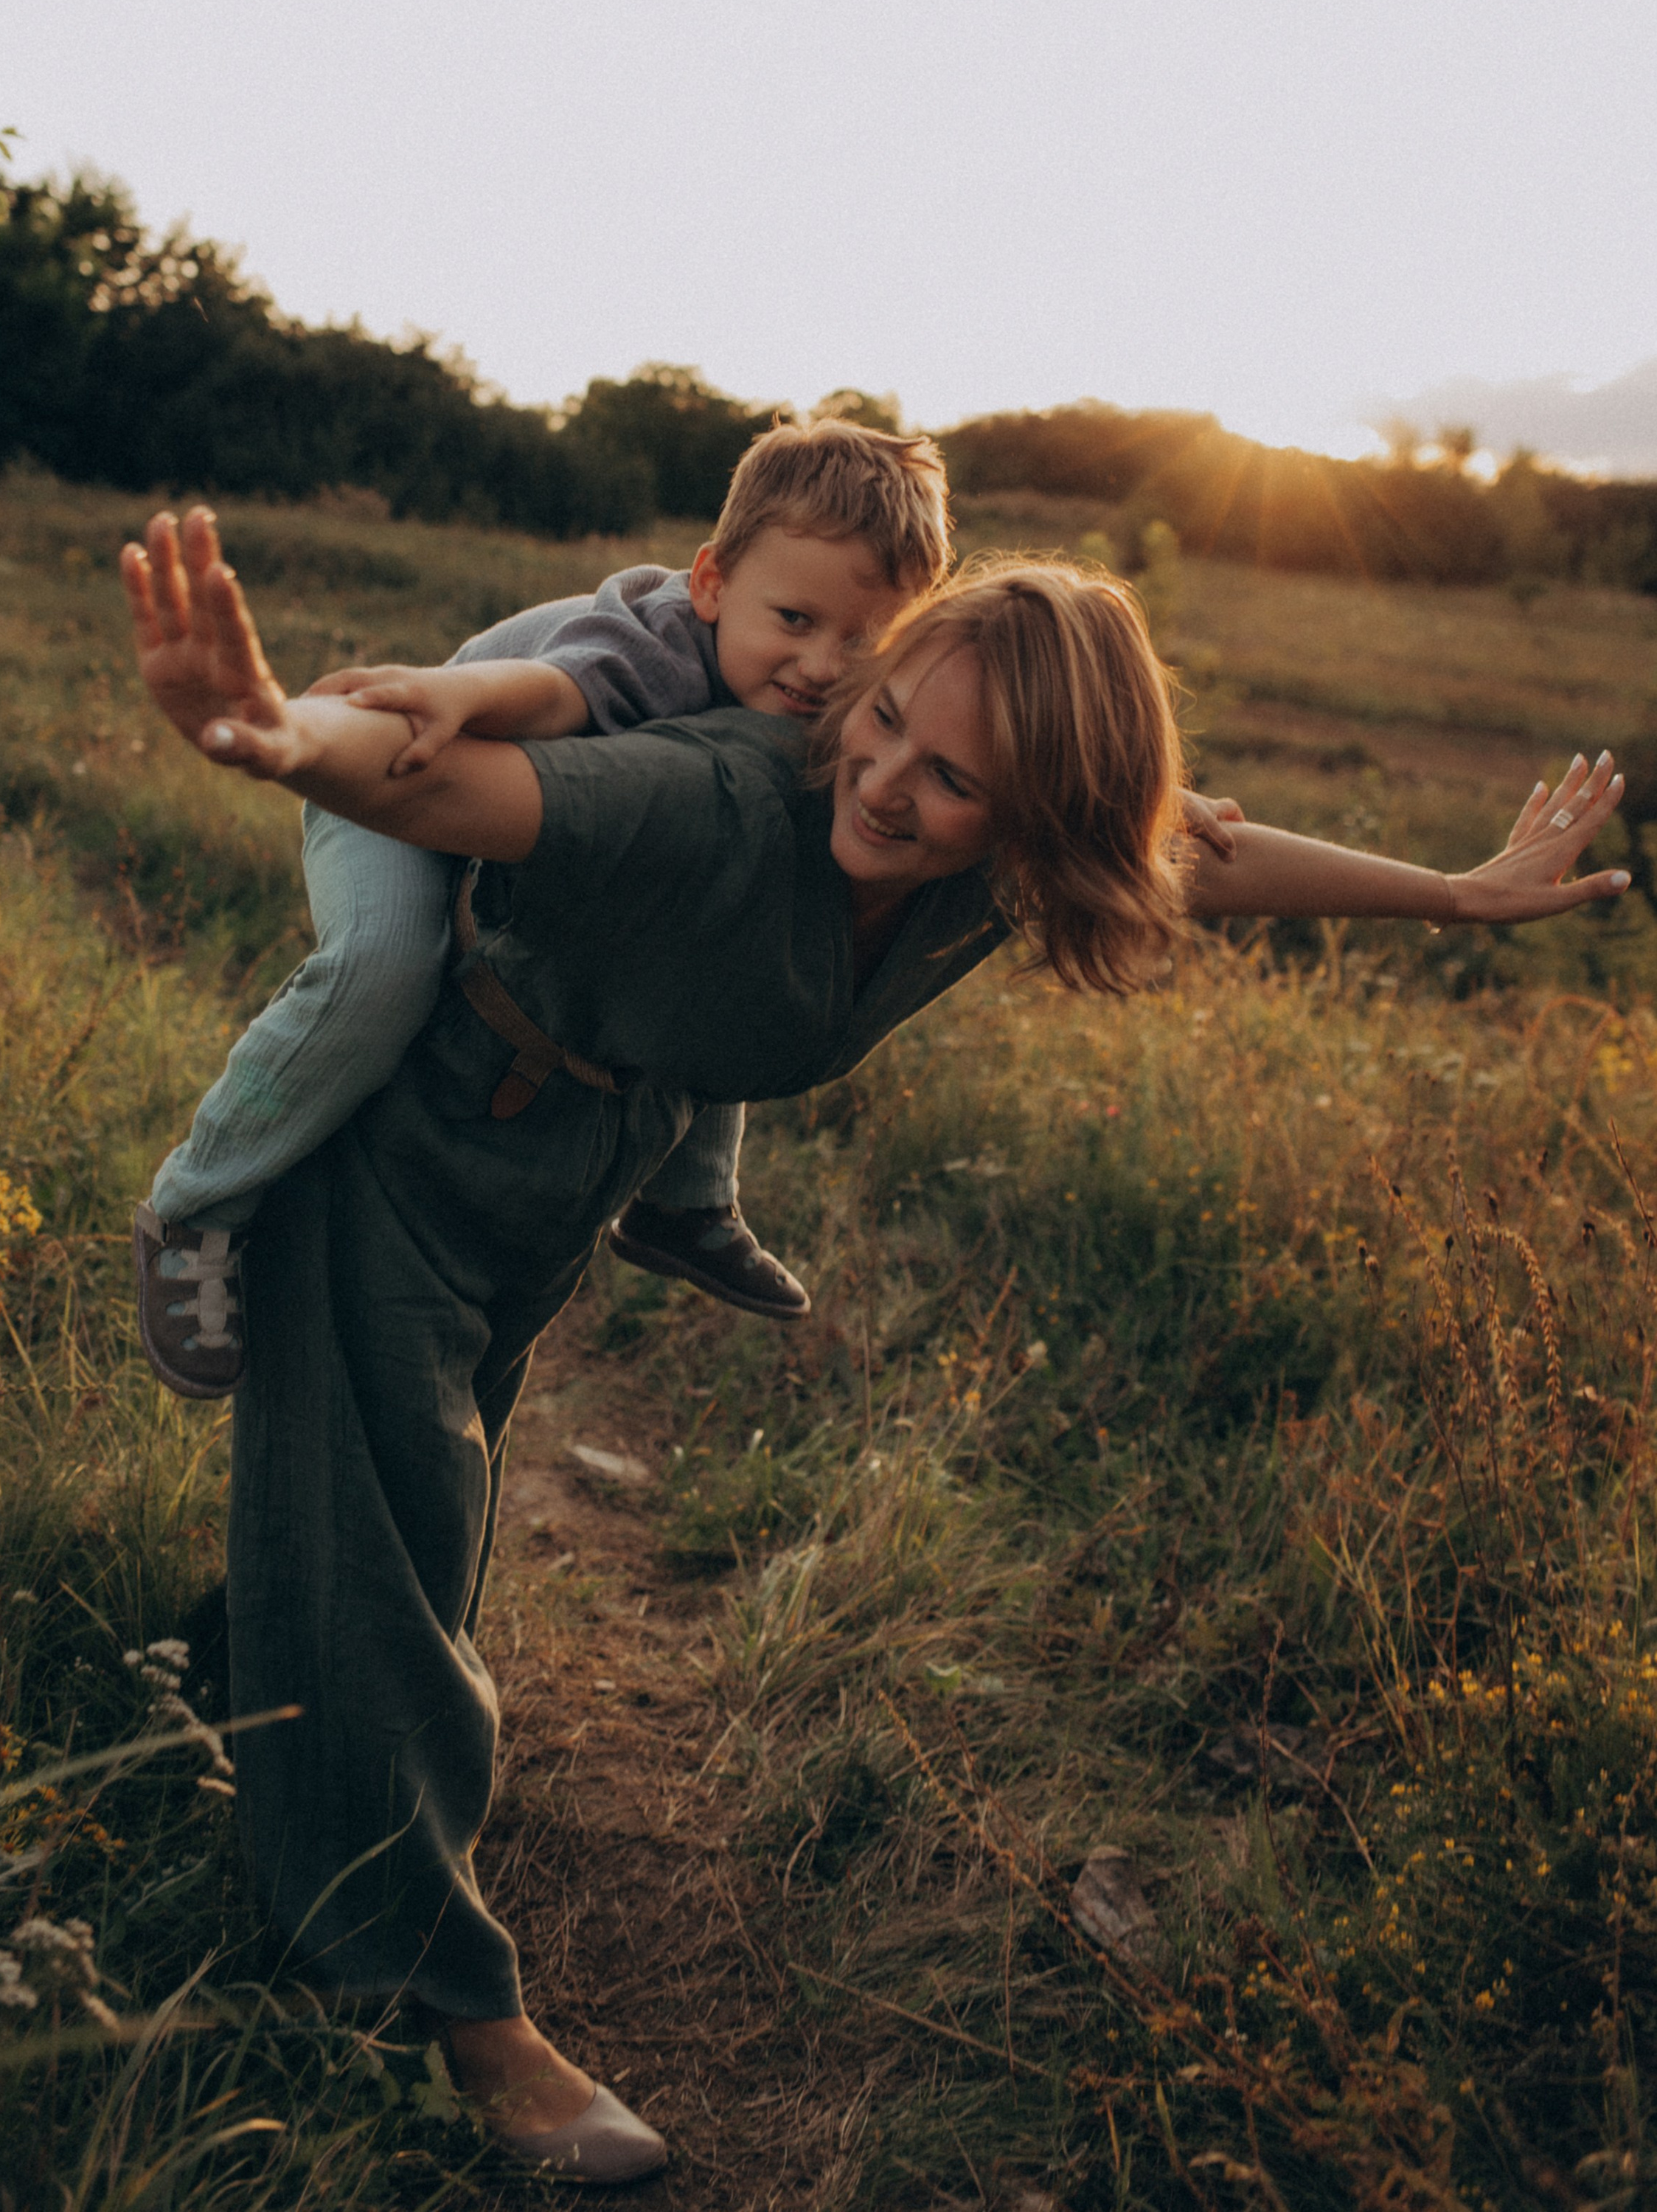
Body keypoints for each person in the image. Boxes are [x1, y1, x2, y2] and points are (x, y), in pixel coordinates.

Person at [122, 505, 1626, 2183]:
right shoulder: (715, 794)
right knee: (390, 1542)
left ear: (1034, 811)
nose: (889, 780)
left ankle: (218, 1709)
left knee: (391, 1516)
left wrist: (1457, 897)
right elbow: (441, 785)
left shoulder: (991, 871)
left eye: (955, 776)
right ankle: (436, 2004)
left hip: (567, 1161)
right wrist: (270, 736)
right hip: (412, 1139)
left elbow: (1201, 852)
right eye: (886, 719)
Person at [134, 418, 954, 1399]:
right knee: (387, 968)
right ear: (711, 583)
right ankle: (198, 1203)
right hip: (409, 774)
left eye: (866, 641)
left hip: (527, 820)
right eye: (795, 620)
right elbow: (561, 691)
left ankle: (684, 1205)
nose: (825, 665)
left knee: (742, 910)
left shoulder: (812, 710)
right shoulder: (661, 644)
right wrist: (459, 694)